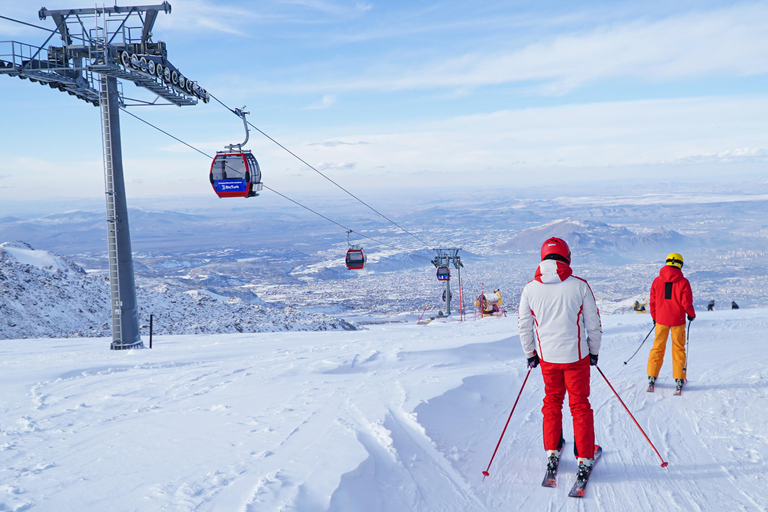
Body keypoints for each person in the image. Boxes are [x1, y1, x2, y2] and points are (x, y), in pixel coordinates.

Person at [518, 237, 602, 479]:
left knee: (552, 403)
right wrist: (593, 352)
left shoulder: (530, 288)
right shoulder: (580, 286)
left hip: (548, 359)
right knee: (580, 406)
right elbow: (593, 325)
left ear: (543, 258)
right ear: (567, 257)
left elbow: (525, 326)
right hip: (576, 358)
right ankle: (585, 458)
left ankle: (552, 452)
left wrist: (530, 354)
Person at [647, 253, 696, 393]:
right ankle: (680, 378)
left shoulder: (656, 281)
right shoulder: (684, 282)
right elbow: (687, 303)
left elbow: (653, 302)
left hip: (661, 321)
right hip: (677, 321)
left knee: (657, 347)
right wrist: (691, 315)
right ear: (680, 264)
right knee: (678, 349)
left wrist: (655, 317)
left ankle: (652, 375)